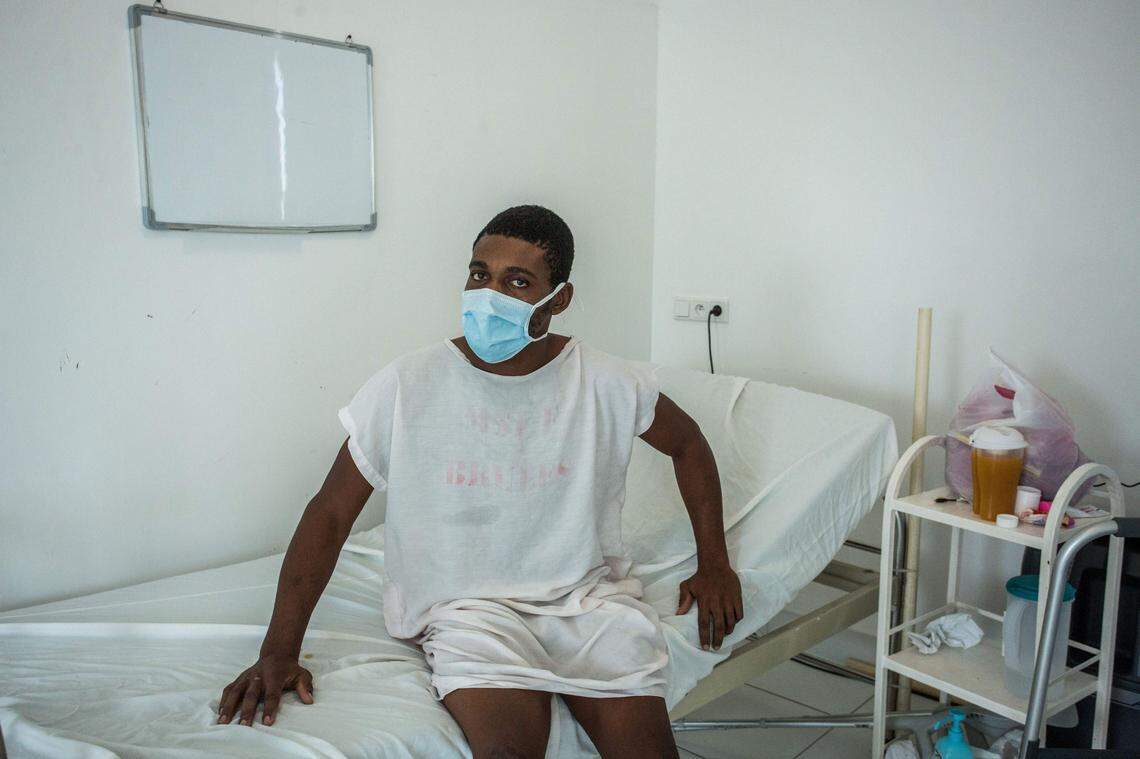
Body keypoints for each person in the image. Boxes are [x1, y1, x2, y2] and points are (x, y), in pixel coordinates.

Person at [215, 205, 743, 758]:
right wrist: (278, 650)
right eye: (478, 274)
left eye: (517, 281)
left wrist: (714, 563)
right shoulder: (409, 384)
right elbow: (330, 512)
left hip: (584, 604)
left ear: (557, 299)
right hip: (467, 609)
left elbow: (688, 444)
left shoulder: (606, 381)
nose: (489, 294)